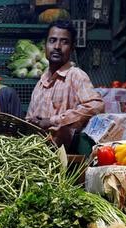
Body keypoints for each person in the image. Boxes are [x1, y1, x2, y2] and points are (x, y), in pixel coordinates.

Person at [26, 20, 104, 149]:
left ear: (72, 48)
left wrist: (53, 121)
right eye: (52, 40)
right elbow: (29, 118)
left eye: (64, 41)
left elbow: (96, 105)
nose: (57, 46)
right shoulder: (40, 83)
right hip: (36, 152)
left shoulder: (76, 76)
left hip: (63, 154)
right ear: (45, 46)